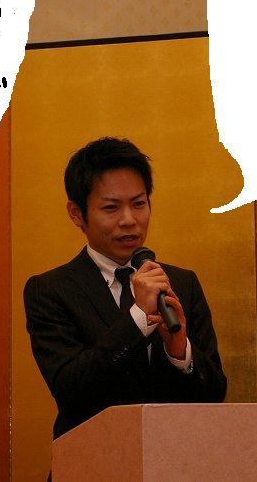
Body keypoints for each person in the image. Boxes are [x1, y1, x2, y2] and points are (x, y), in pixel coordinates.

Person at [24, 137, 226, 440]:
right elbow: (71, 389)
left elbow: (214, 394)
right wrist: (138, 318)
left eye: (139, 204)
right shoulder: (50, 290)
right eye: (111, 208)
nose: (129, 220)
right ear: (77, 213)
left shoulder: (182, 283)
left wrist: (179, 351)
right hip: (93, 456)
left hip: (175, 455)